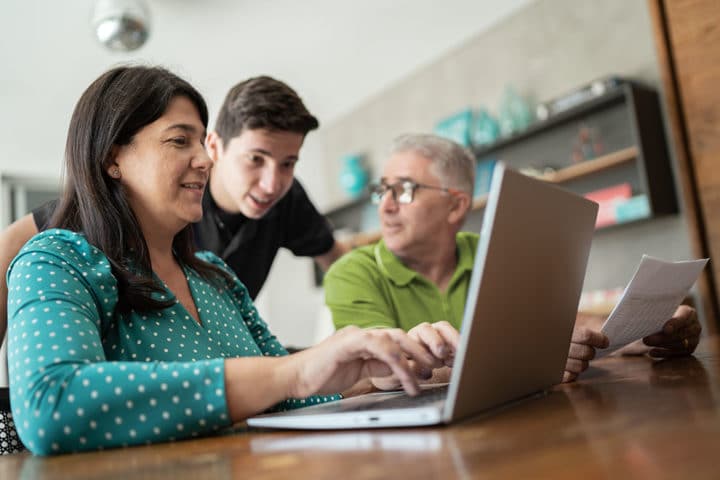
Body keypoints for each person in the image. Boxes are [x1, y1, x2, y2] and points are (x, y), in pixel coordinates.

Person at [5, 66, 454, 455]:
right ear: (111, 158)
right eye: (180, 141)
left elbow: (287, 396)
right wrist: (294, 373)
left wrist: (376, 373)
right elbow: (51, 407)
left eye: (202, 142)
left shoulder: (216, 277)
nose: (204, 159)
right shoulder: (58, 259)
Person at [323, 133, 703, 383]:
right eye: (382, 190)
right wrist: (529, 359)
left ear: (456, 206)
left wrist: (645, 331)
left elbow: (559, 324)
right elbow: (379, 373)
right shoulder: (350, 272)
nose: (385, 207)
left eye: (403, 190)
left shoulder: (492, 249)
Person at [0, 75, 347, 344]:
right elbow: (12, 242)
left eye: (288, 163)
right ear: (216, 147)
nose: (272, 184)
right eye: (256, 159)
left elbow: (337, 258)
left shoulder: (285, 203)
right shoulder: (61, 252)